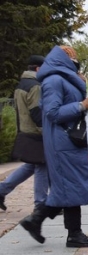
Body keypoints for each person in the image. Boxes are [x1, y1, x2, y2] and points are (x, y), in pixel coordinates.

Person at [18, 46, 88, 247]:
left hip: (71, 140)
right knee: (71, 187)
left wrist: (86, 95)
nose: (76, 59)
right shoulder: (54, 80)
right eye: (73, 56)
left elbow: (87, 101)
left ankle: (36, 220)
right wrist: (82, 105)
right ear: (63, 59)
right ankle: (74, 234)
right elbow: (52, 113)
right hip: (64, 141)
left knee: (70, 187)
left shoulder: (69, 78)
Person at [0, 56, 47, 213]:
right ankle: (41, 204)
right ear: (38, 69)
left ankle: (1, 190)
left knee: (30, 166)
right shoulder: (35, 86)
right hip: (37, 132)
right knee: (41, 165)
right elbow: (36, 112)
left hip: (26, 130)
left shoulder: (22, 84)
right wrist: (46, 130)